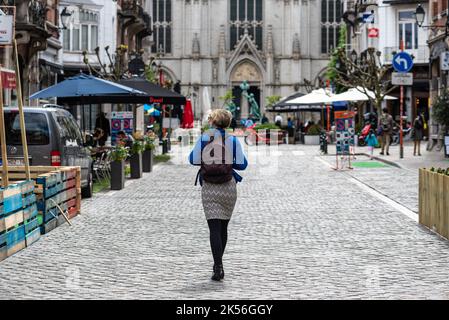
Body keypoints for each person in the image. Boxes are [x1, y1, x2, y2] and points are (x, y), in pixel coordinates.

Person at [189, 109, 248, 282]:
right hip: (228, 187)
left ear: (213, 122)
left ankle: (218, 266)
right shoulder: (232, 140)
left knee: (213, 227)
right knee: (223, 227)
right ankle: (219, 263)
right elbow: (242, 165)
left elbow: (193, 160)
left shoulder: (205, 138)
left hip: (209, 187)